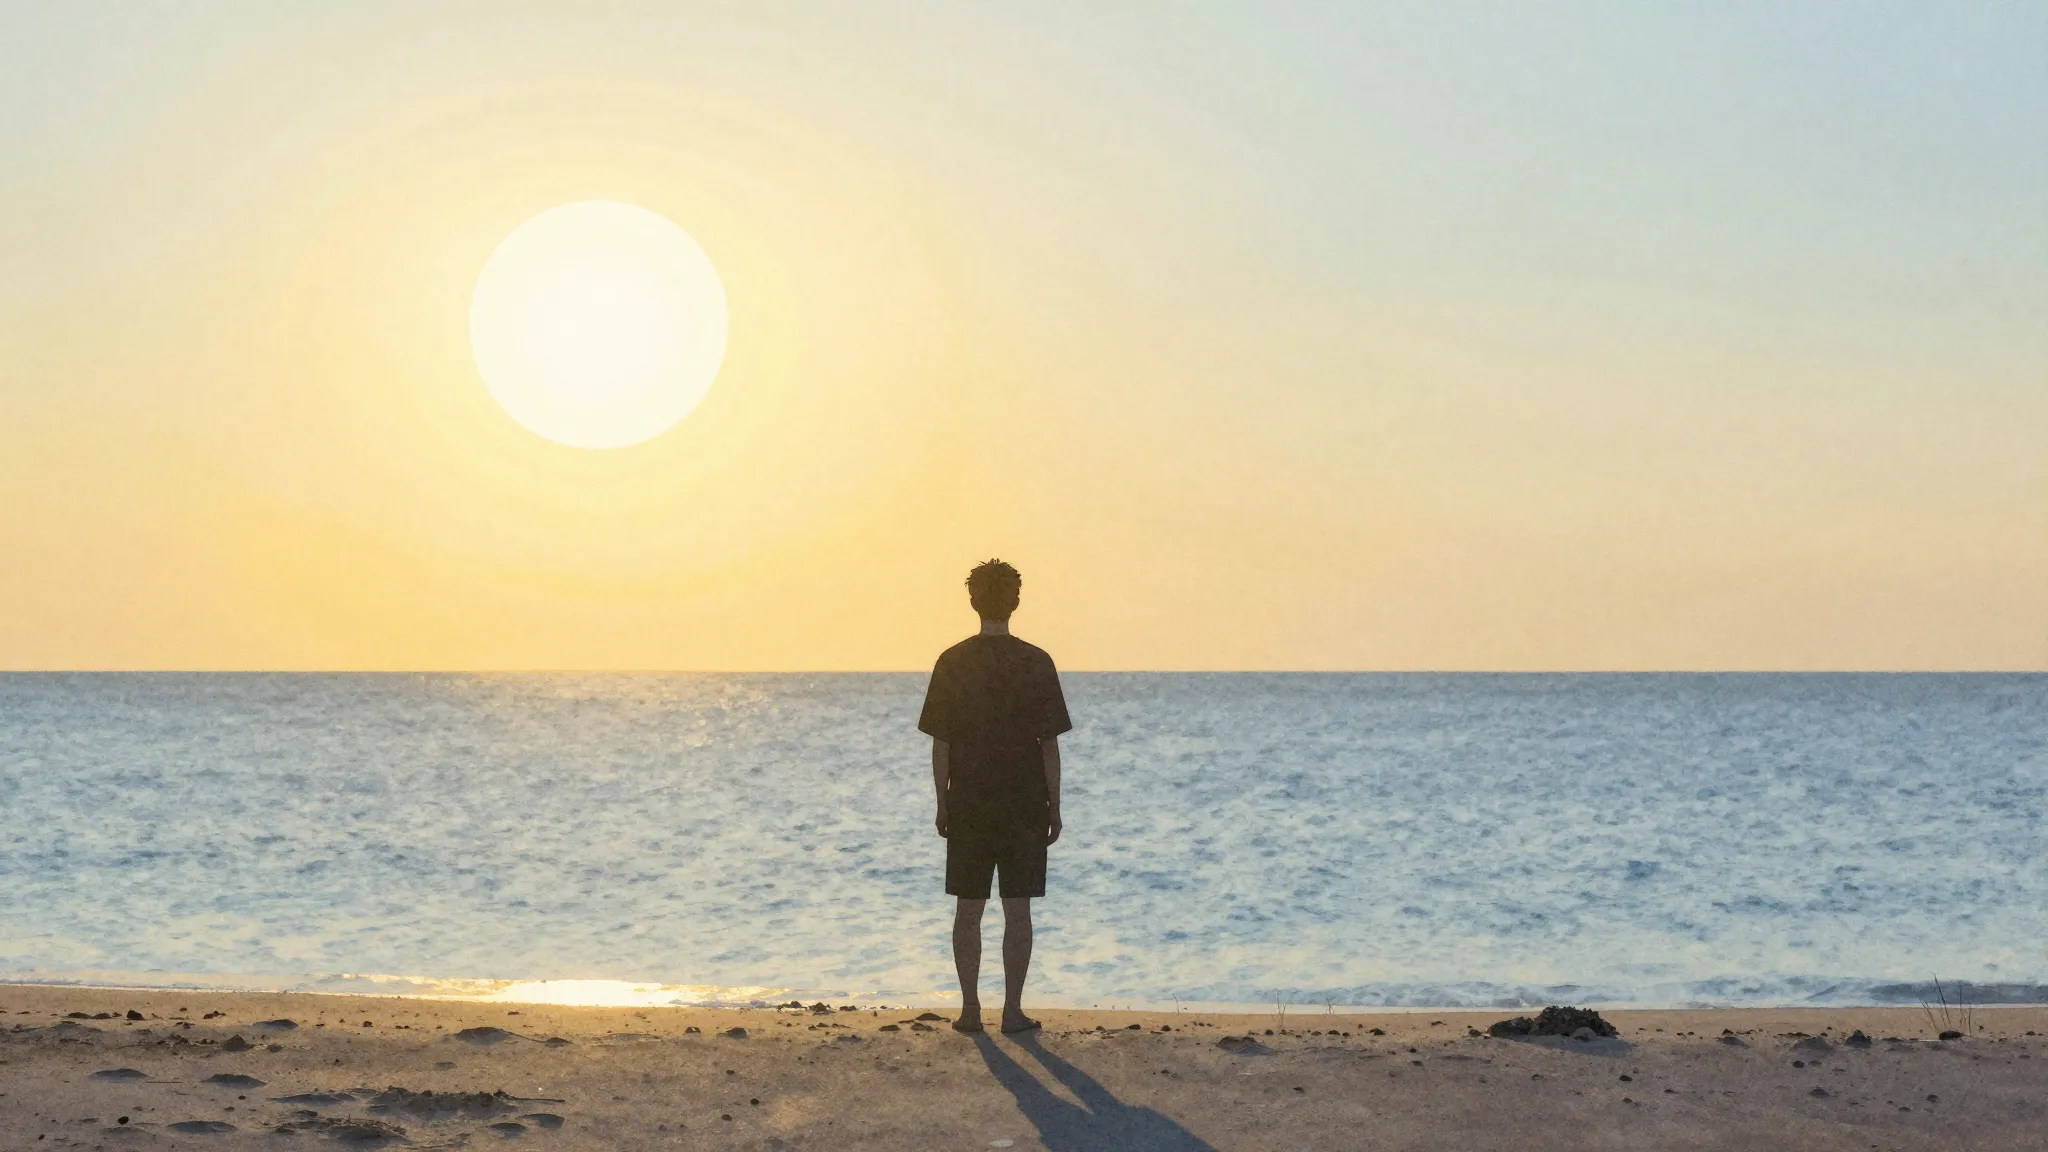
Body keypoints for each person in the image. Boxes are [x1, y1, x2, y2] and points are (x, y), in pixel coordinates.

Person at [918, 559, 1071, 1034]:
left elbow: (940, 744)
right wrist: (1055, 807)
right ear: (1016, 601)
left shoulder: (953, 661)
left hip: (969, 800)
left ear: (972, 601)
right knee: (1017, 908)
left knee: (969, 907)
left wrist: (942, 803)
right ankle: (1012, 1011)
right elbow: (1049, 745)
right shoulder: (1036, 661)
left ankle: (968, 1010)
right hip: (1024, 801)